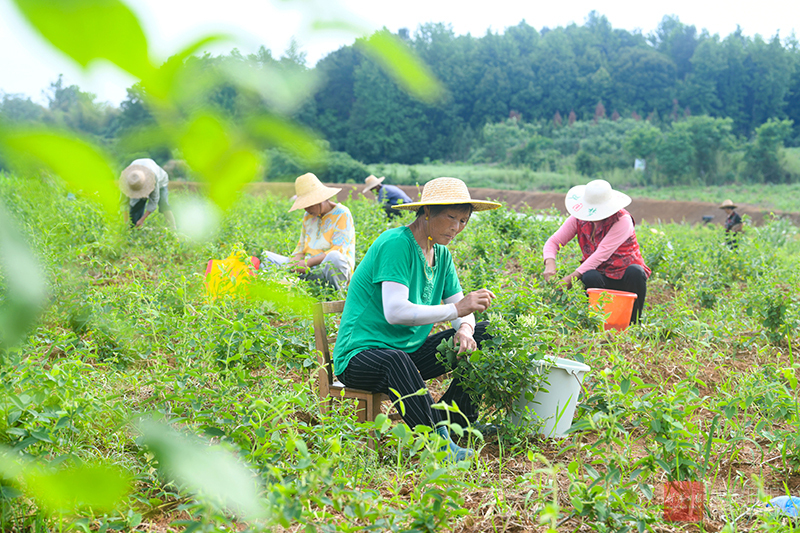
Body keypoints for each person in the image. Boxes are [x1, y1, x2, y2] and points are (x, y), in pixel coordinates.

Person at [333, 177, 501, 462]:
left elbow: (462, 309)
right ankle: (437, 443)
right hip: (361, 357)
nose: (456, 227)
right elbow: (395, 312)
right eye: (450, 217)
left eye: (464, 220)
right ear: (426, 212)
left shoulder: (442, 255)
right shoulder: (395, 244)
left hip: (407, 353)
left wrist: (466, 329)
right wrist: (457, 312)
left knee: (486, 333)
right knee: (395, 359)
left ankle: (456, 421)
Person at [543, 179, 651, 324]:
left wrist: (570, 279)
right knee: (589, 276)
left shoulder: (622, 220)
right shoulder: (578, 219)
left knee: (635, 272)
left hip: (625, 278)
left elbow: (601, 254)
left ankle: (634, 323)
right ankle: (597, 321)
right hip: (602, 277)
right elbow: (554, 241)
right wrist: (550, 266)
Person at [261, 173, 355, 291]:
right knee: (267, 257)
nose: (306, 209)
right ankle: (270, 294)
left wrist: (308, 263)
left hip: (327, 271)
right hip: (309, 270)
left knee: (334, 257)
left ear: (320, 200)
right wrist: (293, 264)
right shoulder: (308, 216)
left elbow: (338, 249)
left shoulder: (342, 213)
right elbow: (301, 249)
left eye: (308, 205)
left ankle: (337, 295)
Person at [120, 158, 176, 229]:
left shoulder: (153, 177)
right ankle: (136, 229)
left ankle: (173, 229)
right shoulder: (126, 180)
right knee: (136, 206)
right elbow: (123, 203)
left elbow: (154, 201)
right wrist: (126, 223)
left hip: (161, 181)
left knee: (163, 204)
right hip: (138, 179)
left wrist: (142, 219)